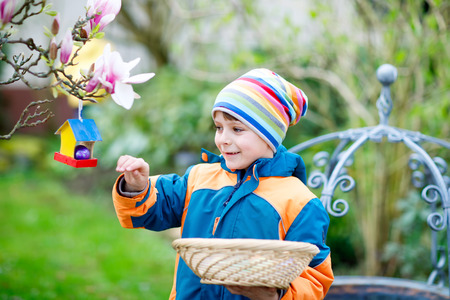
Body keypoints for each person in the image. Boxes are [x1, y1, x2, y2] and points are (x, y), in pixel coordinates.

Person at [112, 68, 334, 300]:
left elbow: (314, 277)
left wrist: (274, 295)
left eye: (237, 129)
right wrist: (136, 188)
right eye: (219, 128)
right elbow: (153, 209)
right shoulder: (198, 178)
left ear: (270, 135)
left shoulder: (299, 202)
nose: (223, 139)